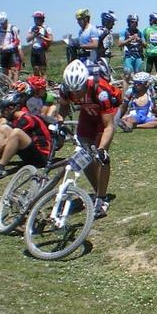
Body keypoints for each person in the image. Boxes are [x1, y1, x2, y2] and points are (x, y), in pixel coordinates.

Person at [57, 60, 120, 218]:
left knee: (101, 157)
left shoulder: (100, 90)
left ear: (85, 83)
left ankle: (101, 199)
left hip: (106, 114)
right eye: (72, 91)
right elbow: (63, 107)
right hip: (88, 111)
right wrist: (59, 122)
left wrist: (102, 150)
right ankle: (98, 190)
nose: (75, 94)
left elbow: (108, 126)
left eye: (78, 90)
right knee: (83, 155)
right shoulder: (65, 89)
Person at [0, 12, 23, 83]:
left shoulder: (13, 29)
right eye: (1, 23)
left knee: (14, 70)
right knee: (5, 71)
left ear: (6, 20)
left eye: (3, 23)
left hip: (12, 51)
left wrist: (7, 46)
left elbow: (17, 41)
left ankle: (15, 85)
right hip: (3, 52)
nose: (2, 25)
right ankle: (8, 86)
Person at [118, 14, 145, 87]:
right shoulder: (124, 32)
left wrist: (139, 40)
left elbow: (145, 45)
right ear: (129, 22)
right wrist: (130, 39)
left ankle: (137, 92)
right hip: (128, 56)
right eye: (133, 22)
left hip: (138, 57)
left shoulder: (140, 33)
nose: (135, 24)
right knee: (127, 75)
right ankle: (124, 94)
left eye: (136, 22)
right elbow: (120, 44)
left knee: (139, 76)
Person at [25, 11, 53, 77]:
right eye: (35, 18)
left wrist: (42, 37)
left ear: (42, 19)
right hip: (34, 49)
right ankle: (37, 82)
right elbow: (27, 39)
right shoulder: (32, 28)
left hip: (42, 49)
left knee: (43, 69)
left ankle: (43, 82)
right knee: (35, 69)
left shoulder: (46, 28)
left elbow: (51, 39)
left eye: (37, 18)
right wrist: (34, 34)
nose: (35, 20)